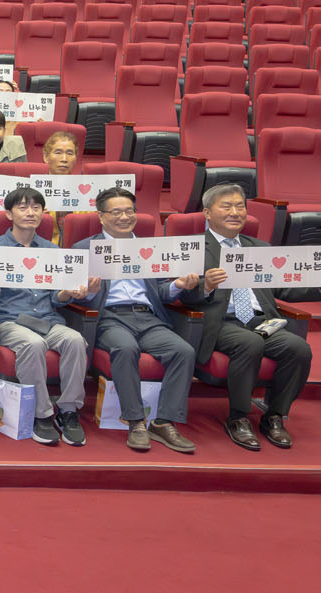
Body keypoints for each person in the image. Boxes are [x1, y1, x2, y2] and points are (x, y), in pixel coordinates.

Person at [189, 182, 321, 451]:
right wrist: (206, 285)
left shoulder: (259, 247)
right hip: (222, 322)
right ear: (207, 213)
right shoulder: (194, 248)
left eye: (240, 206)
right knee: (250, 343)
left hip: (261, 321)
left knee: (298, 349)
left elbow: (283, 288)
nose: (235, 212)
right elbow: (181, 295)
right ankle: (238, 417)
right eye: (227, 206)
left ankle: (274, 415)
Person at [76, 190, 203, 454]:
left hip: (147, 316)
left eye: (129, 211)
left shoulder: (151, 249)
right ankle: (135, 422)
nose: (124, 217)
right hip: (109, 317)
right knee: (125, 348)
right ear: (101, 216)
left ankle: (164, 422)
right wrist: (88, 292)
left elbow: (162, 293)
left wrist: (179, 285)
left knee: (183, 351)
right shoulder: (84, 249)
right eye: (116, 212)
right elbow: (75, 297)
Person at [0, 186, 89, 446]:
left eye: (36, 207)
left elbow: (55, 299)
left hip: (46, 320)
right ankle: (42, 414)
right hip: (8, 320)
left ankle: (68, 410)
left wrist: (66, 293)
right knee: (33, 343)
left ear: (43, 212)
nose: (30, 212)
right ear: (9, 214)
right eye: (23, 207)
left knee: (75, 340)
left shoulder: (52, 250)